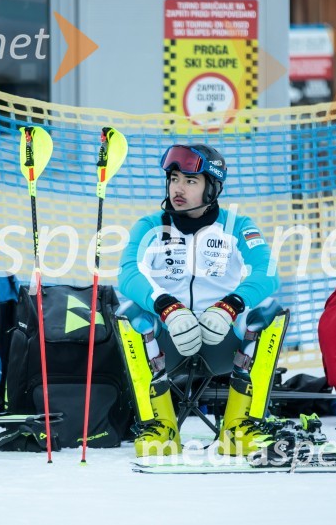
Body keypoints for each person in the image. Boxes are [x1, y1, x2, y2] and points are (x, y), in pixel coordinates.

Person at [118, 143, 281, 457]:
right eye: (174, 179)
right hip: (166, 341)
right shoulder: (150, 226)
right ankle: (159, 425)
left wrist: (230, 305)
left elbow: (268, 271)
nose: (178, 188)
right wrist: (166, 306)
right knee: (127, 313)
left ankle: (240, 424)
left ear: (212, 188)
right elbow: (127, 273)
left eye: (190, 181)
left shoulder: (238, 226)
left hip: (223, 340)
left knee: (271, 312)